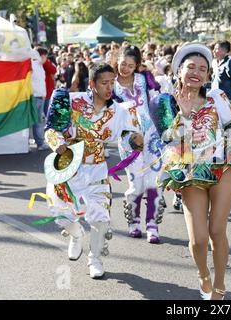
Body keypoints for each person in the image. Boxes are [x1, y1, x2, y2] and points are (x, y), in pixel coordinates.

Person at [155, 43, 231, 300]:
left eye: (203, 69)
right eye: (191, 67)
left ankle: (220, 286)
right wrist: (185, 114)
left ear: (209, 75)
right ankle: (203, 275)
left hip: (223, 165)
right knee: (199, 238)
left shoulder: (217, 97)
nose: (196, 73)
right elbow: (169, 139)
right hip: (189, 169)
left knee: (216, 231)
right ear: (179, 71)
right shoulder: (166, 101)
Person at [43, 62, 144, 278]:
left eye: (112, 83)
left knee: (100, 215)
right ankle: (76, 234)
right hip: (67, 167)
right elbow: (52, 129)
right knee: (61, 214)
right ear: (92, 84)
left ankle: (94, 258)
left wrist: (134, 140)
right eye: (104, 83)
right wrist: (57, 142)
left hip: (96, 168)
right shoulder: (70, 101)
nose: (109, 88)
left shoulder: (120, 111)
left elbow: (126, 137)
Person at [113, 45, 165, 243]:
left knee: (154, 182)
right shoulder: (111, 83)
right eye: (123, 64)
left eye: (130, 65)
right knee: (137, 184)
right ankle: (133, 221)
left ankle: (152, 225)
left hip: (152, 136)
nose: (125, 68)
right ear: (117, 60)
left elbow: (158, 100)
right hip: (129, 140)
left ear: (137, 66)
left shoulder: (144, 79)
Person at [30, 49, 49, 151]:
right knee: (38, 122)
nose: (46, 59)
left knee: (38, 121)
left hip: (39, 97)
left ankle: (38, 142)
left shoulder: (39, 66)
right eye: (46, 57)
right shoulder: (32, 65)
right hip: (35, 97)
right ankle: (40, 143)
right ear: (42, 56)